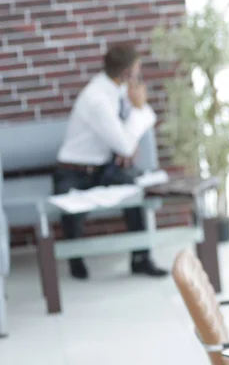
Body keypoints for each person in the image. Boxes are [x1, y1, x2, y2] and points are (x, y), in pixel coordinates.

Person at [54, 43, 168, 279]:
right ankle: (76, 260)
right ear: (126, 73)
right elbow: (126, 143)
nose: (139, 76)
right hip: (73, 171)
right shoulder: (98, 99)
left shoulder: (115, 89)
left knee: (136, 188)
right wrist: (139, 109)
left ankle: (141, 258)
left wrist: (129, 140)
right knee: (71, 213)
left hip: (104, 167)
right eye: (137, 70)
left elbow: (125, 139)